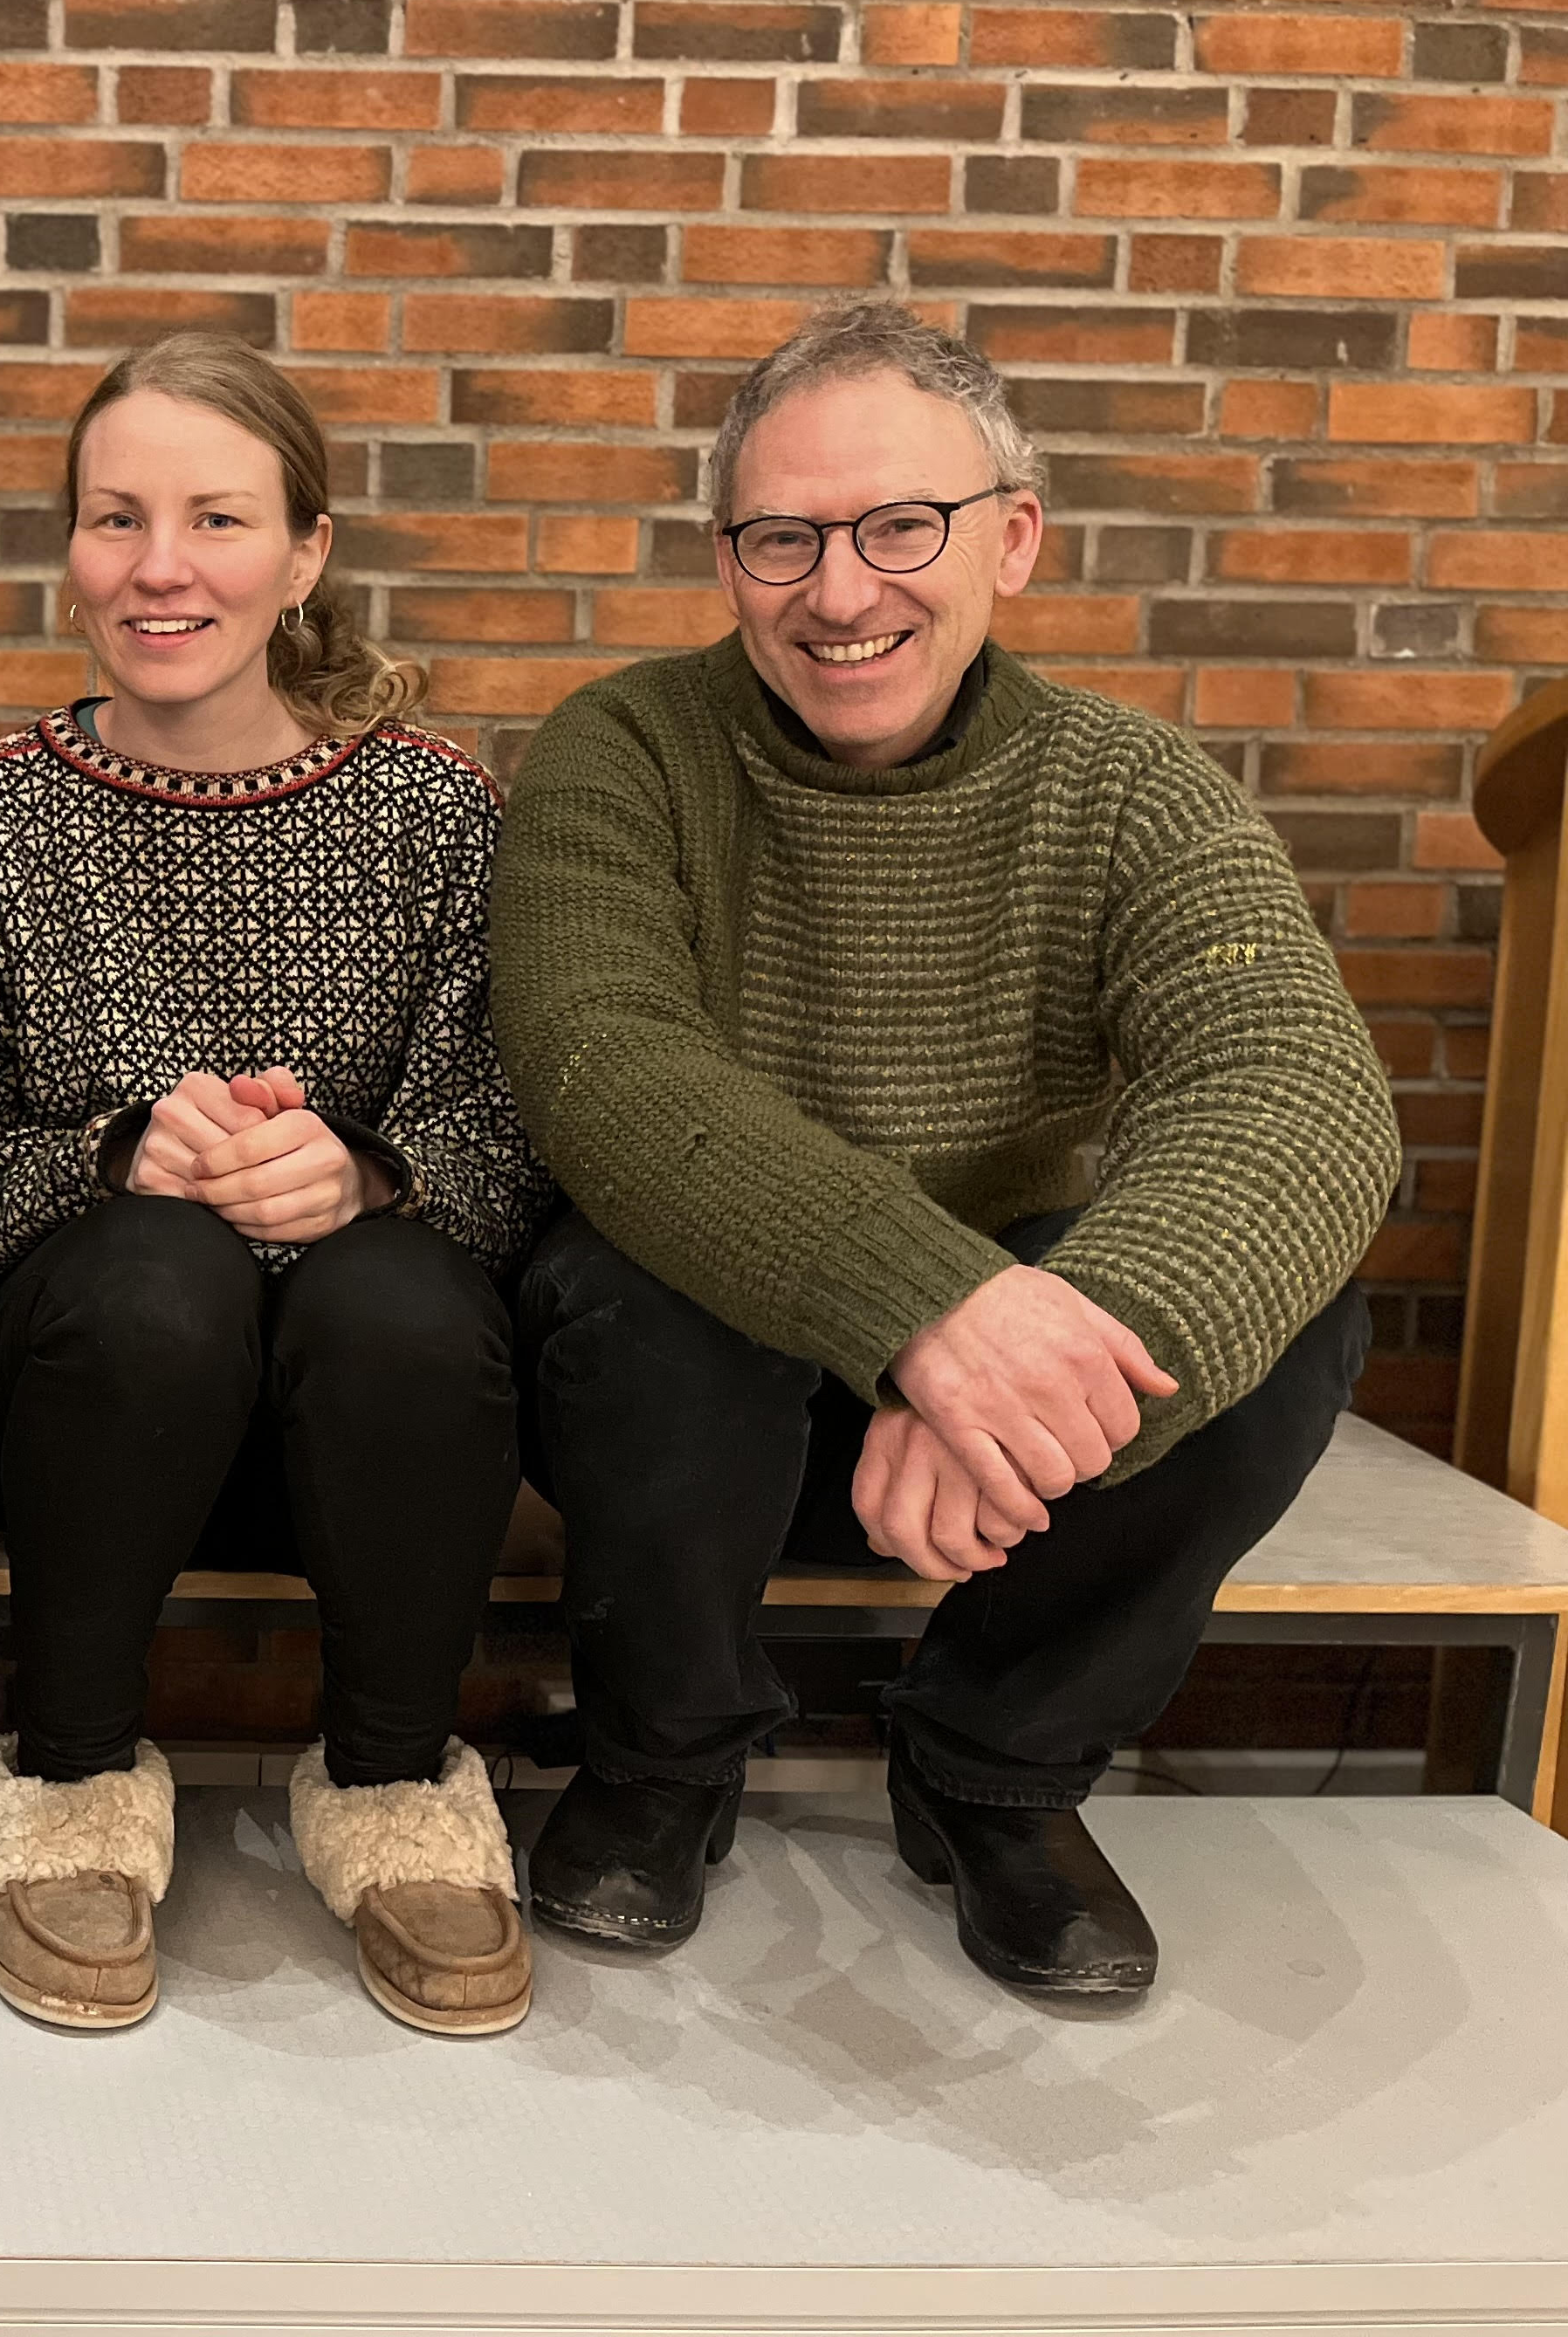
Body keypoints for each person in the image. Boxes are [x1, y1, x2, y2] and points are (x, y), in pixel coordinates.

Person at [491, 299, 1397, 1996]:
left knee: (1286, 1317)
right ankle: (660, 1760)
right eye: (783, 538)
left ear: (1014, 539)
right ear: (727, 559)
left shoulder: (1132, 788)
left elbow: (1300, 1093)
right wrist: (925, 1313)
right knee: (631, 1281)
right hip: (687, 1420)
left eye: (902, 526)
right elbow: (601, 1063)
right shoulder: (623, 750)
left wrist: (1025, 1359)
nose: (841, 593)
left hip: (1011, 1459)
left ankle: (998, 1772)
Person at [0, 336, 554, 2036]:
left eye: (216, 518)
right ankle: (68, 1780)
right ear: (70, 549)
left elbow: (512, 1150)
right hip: (65, 1415)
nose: (161, 566)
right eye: (116, 518)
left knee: (398, 1293)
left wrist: (367, 1173)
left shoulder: (438, 816)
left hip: (361, 1441)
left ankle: (397, 1787)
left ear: (304, 553)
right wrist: (110, 1156)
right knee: (160, 1267)